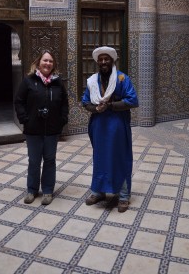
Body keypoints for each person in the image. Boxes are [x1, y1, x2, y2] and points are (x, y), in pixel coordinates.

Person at [82, 46, 139, 213]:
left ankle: (123, 196)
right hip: (99, 126)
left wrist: (111, 105)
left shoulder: (122, 79)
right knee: (100, 158)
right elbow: (85, 102)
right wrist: (95, 109)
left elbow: (133, 100)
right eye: (101, 59)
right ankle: (98, 192)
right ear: (97, 62)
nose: (103, 62)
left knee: (120, 158)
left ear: (112, 61)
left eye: (106, 59)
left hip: (117, 126)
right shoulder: (92, 81)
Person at [14, 49, 69, 205]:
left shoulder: (58, 83)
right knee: (34, 160)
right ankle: (32, 190)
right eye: (45, 60)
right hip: (33, 130)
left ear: (54, 65)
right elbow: (19, 101)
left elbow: (64, 102)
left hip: (52, 129)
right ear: (38, 63)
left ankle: (47, 191)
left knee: (50, 160)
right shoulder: (29, 81)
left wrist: (62, 119)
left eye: (50, 61)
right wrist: (25, 119)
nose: (48, 63)